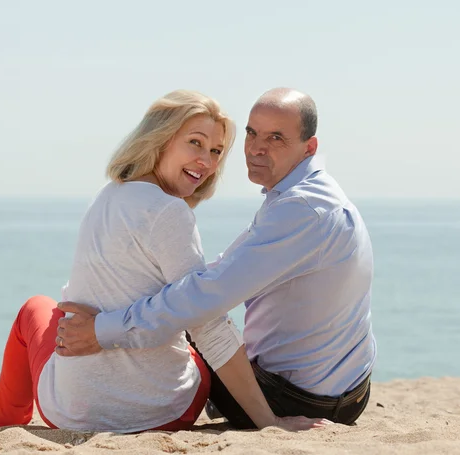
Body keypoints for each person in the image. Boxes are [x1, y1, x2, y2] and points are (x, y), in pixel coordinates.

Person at [0, 90, 327, 433]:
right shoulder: (170, 211)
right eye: (195, 143)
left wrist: (98, 322)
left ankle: (0, 429)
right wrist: (270, 422)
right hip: (164, 413)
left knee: (38, 308)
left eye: (215, 152)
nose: (206, 162)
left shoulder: (108, 195)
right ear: (161, 139)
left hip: (69, 413)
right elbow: (207, 324)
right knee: (194, 330)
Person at [56, 87, 377, 427]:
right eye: (252, 133)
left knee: (196, 319)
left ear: (309, 147)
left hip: (295, 401)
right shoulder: (312, 196)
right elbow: (223, 272)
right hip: (352, 393)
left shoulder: (300, 209)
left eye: (276, 138)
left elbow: (204, 299)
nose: (255, 148)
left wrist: (102, 329)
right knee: (182, 303)